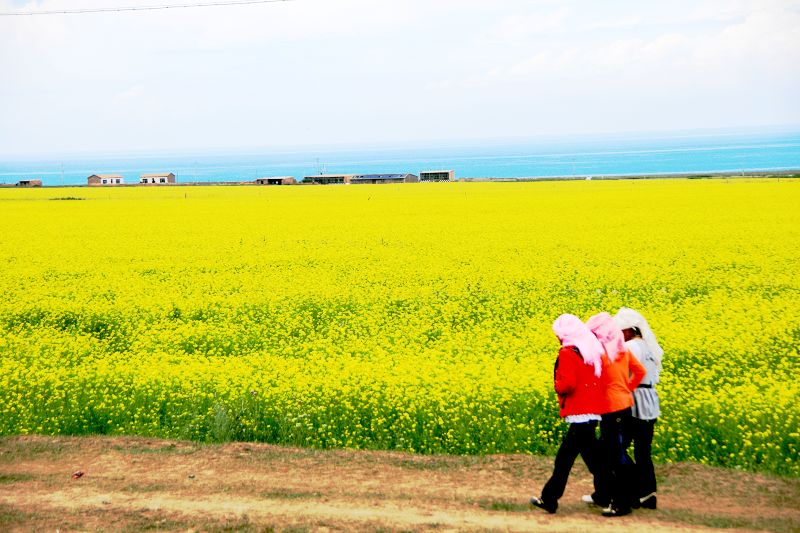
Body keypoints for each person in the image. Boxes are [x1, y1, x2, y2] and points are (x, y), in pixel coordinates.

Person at [530, 314, 609, 514]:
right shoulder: (590, 350)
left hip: (579, 413)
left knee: (575, 460)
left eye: (559, 334)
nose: (557, 338)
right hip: (592, 411)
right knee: (580, 459)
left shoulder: (567, 353)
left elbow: (567, 384)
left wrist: (557, 386)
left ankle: (616, 495)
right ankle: (551, 498)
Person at [585, 312, 645, 517]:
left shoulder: (602, 354)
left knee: (614, 457)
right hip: (625, 405)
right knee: (617, 454)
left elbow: (596, 381)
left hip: (610, 408)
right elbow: (640, 372)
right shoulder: (620, 350)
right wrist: (626, 388)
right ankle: (633, 495)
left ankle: (621, 503)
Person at [614, 307, 663, 510]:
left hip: (636, 402)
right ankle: (648, 493)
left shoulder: (632, 347)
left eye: (621, 331)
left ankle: (629, 490)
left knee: (617, 447)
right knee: (643, 451)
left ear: (628, 330)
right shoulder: (647, 346)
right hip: (650, 401)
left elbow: (626, 372)